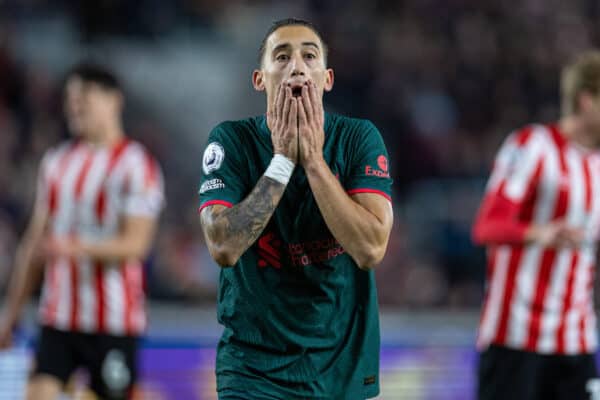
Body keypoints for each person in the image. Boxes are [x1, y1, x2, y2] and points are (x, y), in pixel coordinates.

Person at [198, 18, 394, 400]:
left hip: (340, 367)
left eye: (309, 55)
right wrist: (283, 161)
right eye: (282, 56)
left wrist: (315, 162)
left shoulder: (358, 139)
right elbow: (222, 246)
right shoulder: (231, 142)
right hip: (253, 370)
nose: (297, 65)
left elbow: (371, 249)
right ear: (260, 79)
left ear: (327, 78)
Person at [0, 63, 164, 400]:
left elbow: (136, 244)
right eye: (69, 98)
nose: (74, 106)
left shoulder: (137, 164)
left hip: (115, 323)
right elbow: (34, 243)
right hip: (58, 317)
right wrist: (10, 315)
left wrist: (77, 248)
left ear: (113, 100)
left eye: (84, 96)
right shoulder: (56, 162)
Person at [472, 51, 600, 400]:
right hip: (515, 340)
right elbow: (486, 226)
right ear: (587, 101)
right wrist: (541, 233)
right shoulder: (532, 147)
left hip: (577, 342)